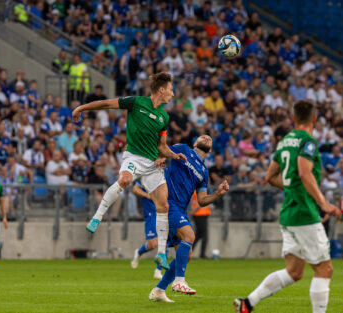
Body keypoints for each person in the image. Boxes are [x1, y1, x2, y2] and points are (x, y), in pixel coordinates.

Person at [234, 100, 342, 313]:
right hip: (304, 213)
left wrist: (292, 188)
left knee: (294, 271)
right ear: (314, 118)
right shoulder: (307, 141)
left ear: (293, 119)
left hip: (288, 213)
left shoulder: (284, 142)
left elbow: (269, 176)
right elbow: (304, 172)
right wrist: (323, 203)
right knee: (324, 269)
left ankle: (247, 303)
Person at [72, 72, 186, 270]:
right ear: (161, 89)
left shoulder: (164, 117)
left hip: (152, 165)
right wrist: (82, 108)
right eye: (170, 89)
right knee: (124, 180)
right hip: (133, 157)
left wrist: (173, 156)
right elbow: (107, 104)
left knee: (163, 206)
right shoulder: (135, 102)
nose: (173, 93)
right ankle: (97, 218)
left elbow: (162, 146)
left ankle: (160, 254)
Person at [149, 135, 230, 302]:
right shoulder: (183, 149)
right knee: (190, 236)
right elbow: (162, 148)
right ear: (195, 143)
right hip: (169, 203)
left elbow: (201, 200)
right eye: (203, 136)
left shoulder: (204, 171)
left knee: (187, 255)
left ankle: (158, 290)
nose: (207, 137)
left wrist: (217, 193)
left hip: (181, 209)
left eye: (209, 138)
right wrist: (160, 158)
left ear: (211, 149)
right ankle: (179, 281)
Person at [130, 180, 164, 280]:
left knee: (164, 241)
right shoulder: (146, 173)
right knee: (152, 244)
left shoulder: (166, 173)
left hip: (164, 211)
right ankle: (139, 252)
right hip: (151, 213)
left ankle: (158, 271)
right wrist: (148, 195)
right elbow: (135, 189)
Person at [190, 191, 211, 259]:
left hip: (201, 214)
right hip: (200, 214)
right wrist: (193, 210)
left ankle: (189, 252)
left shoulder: (195, 190)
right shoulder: (199, 190)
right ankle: (202, 254)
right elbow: (201, 202)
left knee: (199, 235)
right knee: (204, 235)